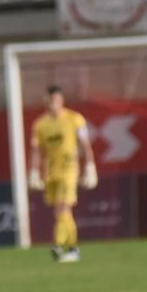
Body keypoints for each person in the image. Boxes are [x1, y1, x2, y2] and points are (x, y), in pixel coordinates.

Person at [28, 85, 98, 263]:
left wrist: (90, 167)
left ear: (61, 101)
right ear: (45, 102)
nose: (52, 105)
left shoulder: (75, 119)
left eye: (55, 101)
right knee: (59, 210)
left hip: (69, 169)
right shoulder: (40, 124)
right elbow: (36, 150)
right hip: (51, 171)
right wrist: (34, 171)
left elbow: (85, 144)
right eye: (49, 101)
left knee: (64, 206)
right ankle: (73, 249)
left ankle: (58, 244)